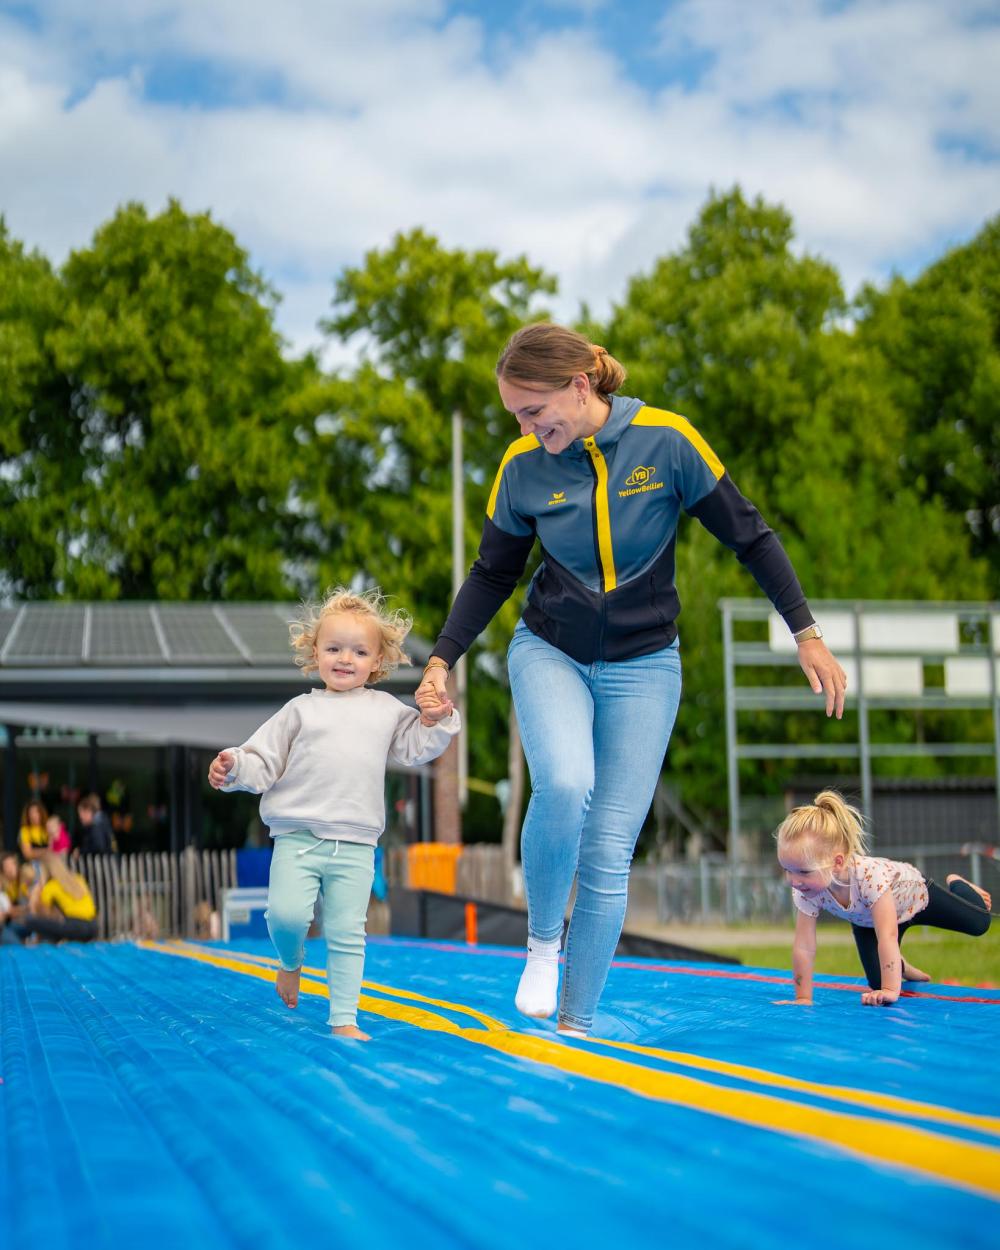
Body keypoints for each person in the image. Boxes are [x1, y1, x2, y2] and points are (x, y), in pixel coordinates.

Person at [415, 322, 847, 1038]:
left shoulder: (667, 441)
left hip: (646, 664)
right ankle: (542, 945)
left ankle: (577, 1027)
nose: (525, 428)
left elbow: (750, 535)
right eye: (515, 415)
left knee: (610, 847)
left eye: (533, 411)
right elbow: (493, 573)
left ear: (579, 386)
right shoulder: (522, 466)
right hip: (550, 649)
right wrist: (441, 660)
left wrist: (807, 633)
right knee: (564, 783)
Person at [208, 587, 460, 1042]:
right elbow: (263, 760)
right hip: (298, 838)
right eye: (334, 649)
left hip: (356, 844)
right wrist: (234, 767)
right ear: (315, 652)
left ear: (377, 660)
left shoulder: (385, 710)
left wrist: (435, 718)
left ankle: (344, 1018)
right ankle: (291, 962)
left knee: (347, 933)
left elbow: (415, 746)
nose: (346, 659)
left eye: (359, 652)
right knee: (285, 917)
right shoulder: (300, 711)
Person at [775, 790, 992, 1006]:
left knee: (979, 922)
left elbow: (887, 935)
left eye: (803, 872)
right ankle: (903, 967)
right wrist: (803, 998)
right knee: (878, 981)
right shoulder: (806, 889)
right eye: (787, 869)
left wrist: (890, 990)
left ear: (837, 863)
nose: (793, 880)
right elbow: (804, 946)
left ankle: (957, 883)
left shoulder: (868, 877)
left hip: (915, 898)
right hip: (868, 921)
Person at [21, 849, 98, 943]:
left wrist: (34, 895)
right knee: (57, 926)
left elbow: (44, 915)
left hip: (76, 926)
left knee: (30, 921)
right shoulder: (78, 878)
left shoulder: (50, 886)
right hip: (93, 926)